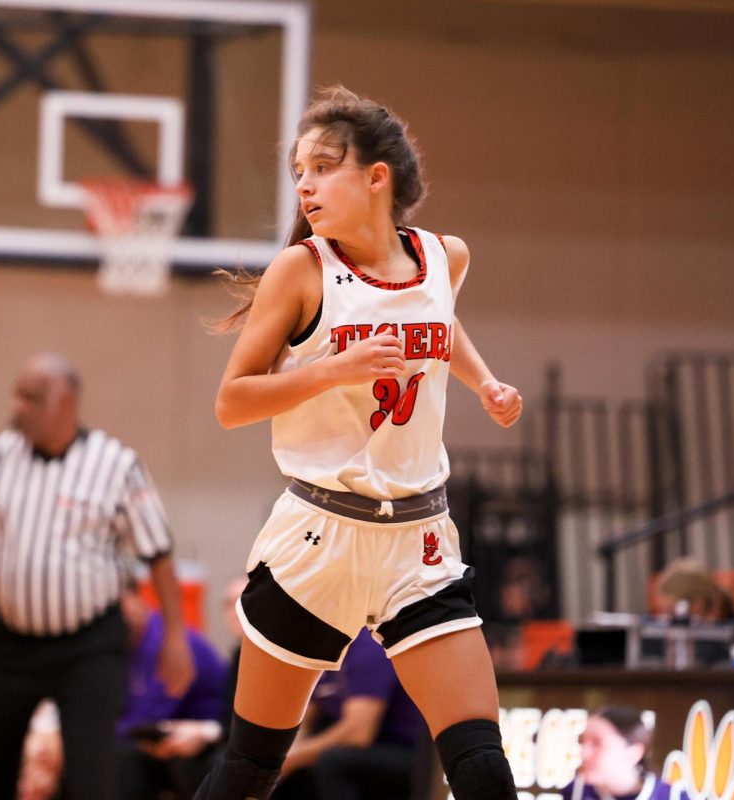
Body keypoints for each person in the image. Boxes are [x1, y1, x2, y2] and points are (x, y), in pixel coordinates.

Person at [195, 87, 523, 800]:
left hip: (420, 537)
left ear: (377, 176)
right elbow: (232, 401)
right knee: (250, 771)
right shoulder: (304, 271)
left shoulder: (445, 257)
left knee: (483, 766)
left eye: (321, 166)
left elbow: (438, 318)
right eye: (298, 171)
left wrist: (483, 382)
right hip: (320, 533)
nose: (305, 184)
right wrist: (332, 370)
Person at [0, 352, 195, 799]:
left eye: (31, 398)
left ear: (65, 402)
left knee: (92, 776)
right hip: (10, 641)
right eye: (16, 395)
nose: (17, 406)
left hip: (89, 646)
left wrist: (174, 636)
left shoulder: (116, 465)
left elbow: (160, 556)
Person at [272, 628, 425, 800]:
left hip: (406, 750)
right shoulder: (318, 647)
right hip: (365, 744)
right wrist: (283, 755)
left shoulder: (370, 646)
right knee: (277, 759)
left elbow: (358, 735)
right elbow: (303, 717)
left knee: (332, 760)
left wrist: (292, 759)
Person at [115, 605, 229, 800]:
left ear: (134, 601)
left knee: (122, 759)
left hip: (210, 735)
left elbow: (153, 711)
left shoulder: (166, 640)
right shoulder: (130, 644)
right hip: (171, 734)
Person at [560, 705, 688, 800]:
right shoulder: (575, 791)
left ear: (633, 754)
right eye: (582, 741)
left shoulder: (674, 796)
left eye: (597, 743)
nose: (584, 753)